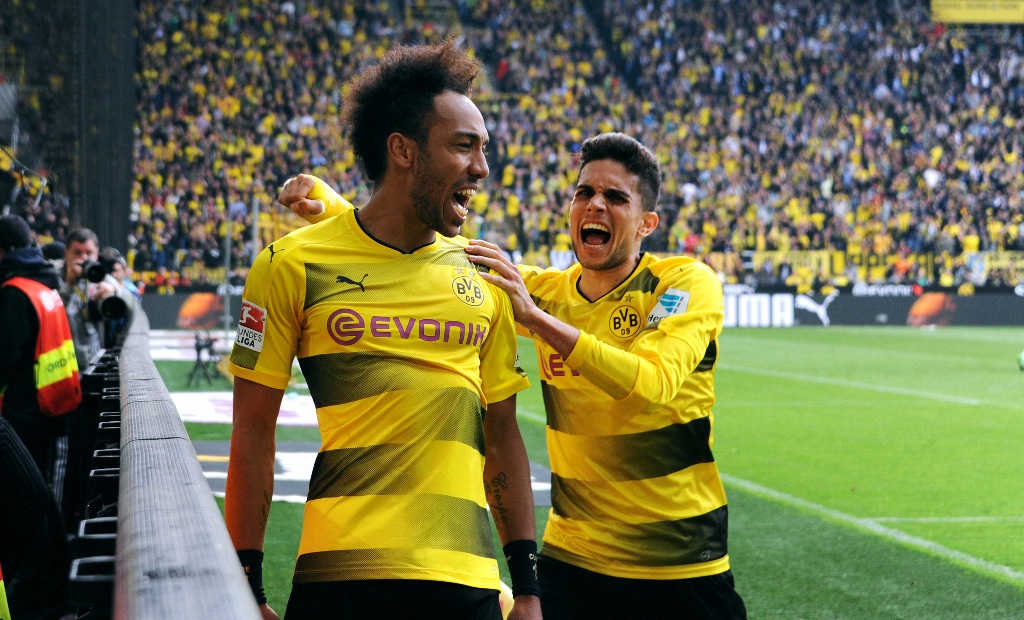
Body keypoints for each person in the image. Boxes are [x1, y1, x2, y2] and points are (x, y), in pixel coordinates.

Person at [281, 132, 746, 618]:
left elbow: (652, 383)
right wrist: (333, 207)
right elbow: (447, 255)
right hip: (572, 563)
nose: (595, 205)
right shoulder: (548, 291)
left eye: (615, 197)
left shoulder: (683, 283)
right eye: (584, 192)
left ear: (647, 223)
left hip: (680, 566)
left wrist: (537, 319)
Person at [225, 40, 541, 620]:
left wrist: (527, 590)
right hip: (338, 580)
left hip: (465, 584)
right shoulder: (289, 265)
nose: (481, 168)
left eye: (484, 148)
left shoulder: (486, 277)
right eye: (463, 146)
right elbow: (251, 432)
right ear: (402, 150)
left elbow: (502, 438)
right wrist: (247, 584)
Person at [0, 214, 76, 618]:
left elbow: (4, 360)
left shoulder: (14, 293)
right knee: (45, 500)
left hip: (23, 415)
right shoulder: (44, 286)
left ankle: (37, 591)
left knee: (32, 504)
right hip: (53, 406)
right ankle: (53, 588)